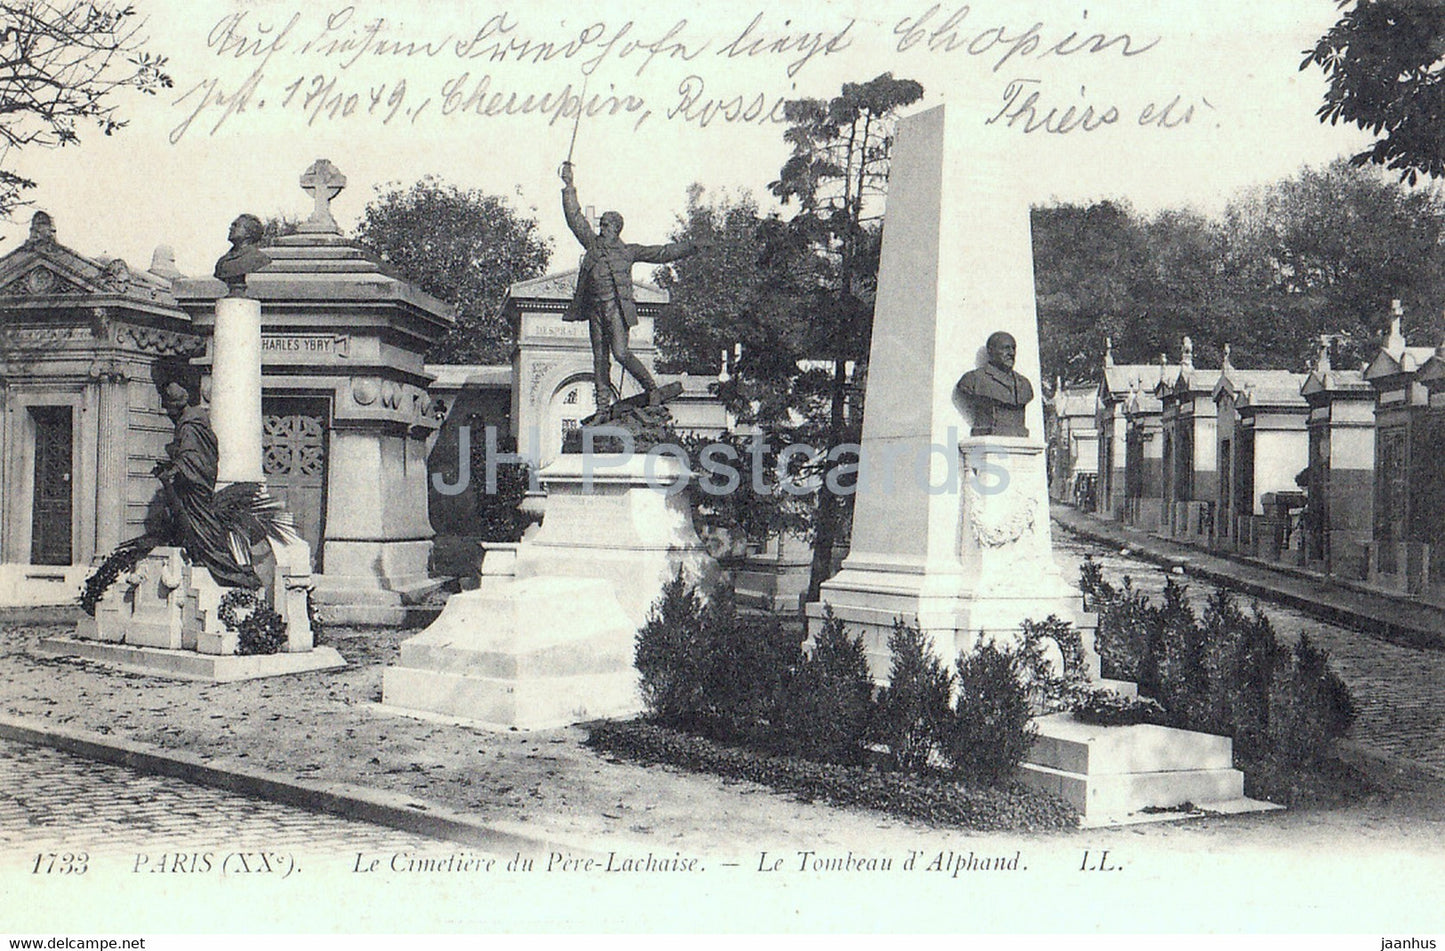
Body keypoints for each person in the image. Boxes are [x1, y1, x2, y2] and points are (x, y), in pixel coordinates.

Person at [560, 162, 701, 411]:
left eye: (607, 226)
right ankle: (602, 405)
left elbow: (662, 252)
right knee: (600, 359)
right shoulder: (592, 244)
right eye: (601, 225)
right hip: (595, 309)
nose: (602, 229)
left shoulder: (628, 252)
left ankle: (651, 389)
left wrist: (691, 247)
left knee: (621, 353)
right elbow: (574, 218)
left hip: (616, 308)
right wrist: (569, 186)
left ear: (617, 229)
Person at [155, 382, 262, 589]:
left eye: (169, 408)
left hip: (194, 484)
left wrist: (173, 470)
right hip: (201, 479)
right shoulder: (199, 420)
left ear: (176, 406)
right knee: (201, 523)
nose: (168, 413)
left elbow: (190, 455)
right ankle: (209, 559)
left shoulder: (188, 425)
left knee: (203, 525)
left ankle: (228, 569)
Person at [953, 331, 1035, 437]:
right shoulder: (974, 379)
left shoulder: (1024, 384)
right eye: (1005, 348)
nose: (1011, 353)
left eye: (1013, 348)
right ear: (990, 351)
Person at [214, 214, 272, 297]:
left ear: (249, 233)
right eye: (232, 225)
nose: (231, 228)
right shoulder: (222, 261)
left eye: (236, 226)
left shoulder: (258, 258)